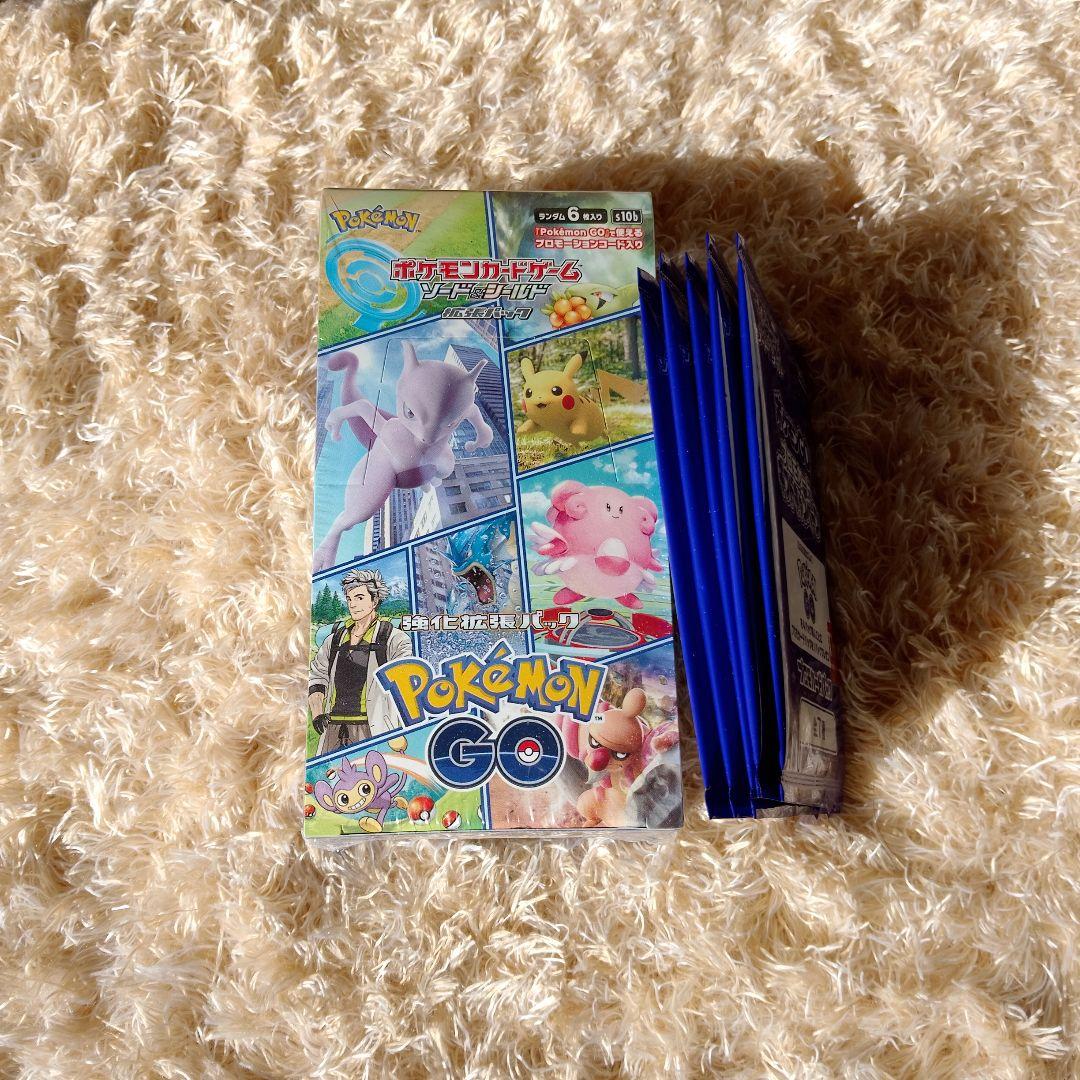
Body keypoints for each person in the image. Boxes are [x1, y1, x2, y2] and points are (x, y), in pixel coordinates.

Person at [308, 568, 412, 755]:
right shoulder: (335, 639)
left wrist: (397, 731)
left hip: (371, 728)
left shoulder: (394, 638)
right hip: (333, 728)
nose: (353, 605)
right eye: (349, 599)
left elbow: (406, 685)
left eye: (359, 598)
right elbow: (317, 676)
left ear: (375, 600)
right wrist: (317, 714)